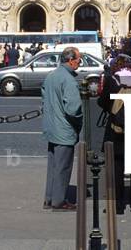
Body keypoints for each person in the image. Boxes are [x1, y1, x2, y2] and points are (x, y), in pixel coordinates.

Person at [99, 51, 131, 215]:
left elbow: (103, 102)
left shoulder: (113, 80)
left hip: (115, 127)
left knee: (116, 167)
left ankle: (117, 206)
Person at [40, 46, 83, 211]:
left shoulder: (52, 76)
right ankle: (59, 201)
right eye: (78, 59)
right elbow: (73, 108)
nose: (79, 62)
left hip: (51, 127)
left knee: (53, 166)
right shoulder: (69, 80)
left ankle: (49, 198)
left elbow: (44, 98)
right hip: (64, 129)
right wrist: (80, 120)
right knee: (63, 167)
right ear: (71, 61)